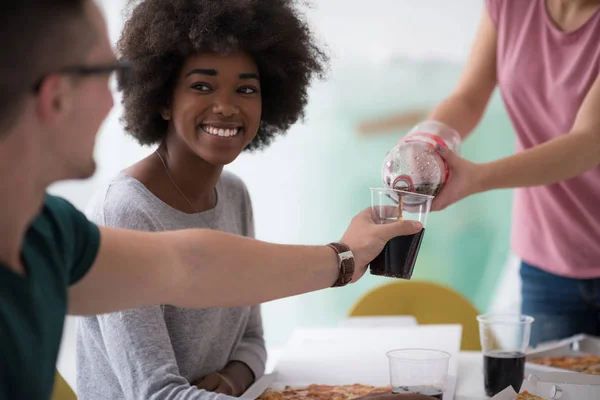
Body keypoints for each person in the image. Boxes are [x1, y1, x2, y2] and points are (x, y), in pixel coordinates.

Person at [0, 1, 427, 400]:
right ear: (56, 97)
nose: (115, 96)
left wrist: (345, 257)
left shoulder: (50, 232)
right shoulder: (114, 210)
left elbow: (191, 266)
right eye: (106, 72)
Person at [76, 0, 319, 398]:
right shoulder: (124, 212)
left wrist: (231, 379)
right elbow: (158, 394)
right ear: (163, 99)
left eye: (246, 89)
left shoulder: (234, 194)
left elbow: (253, 340)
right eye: (201, 86)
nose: (226, 107)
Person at [366, 0, 600, 345]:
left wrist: (476, 178)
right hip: (549, 257)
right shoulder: (511, 6)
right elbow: (469, 96)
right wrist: (426, 139)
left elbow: (587, 143)